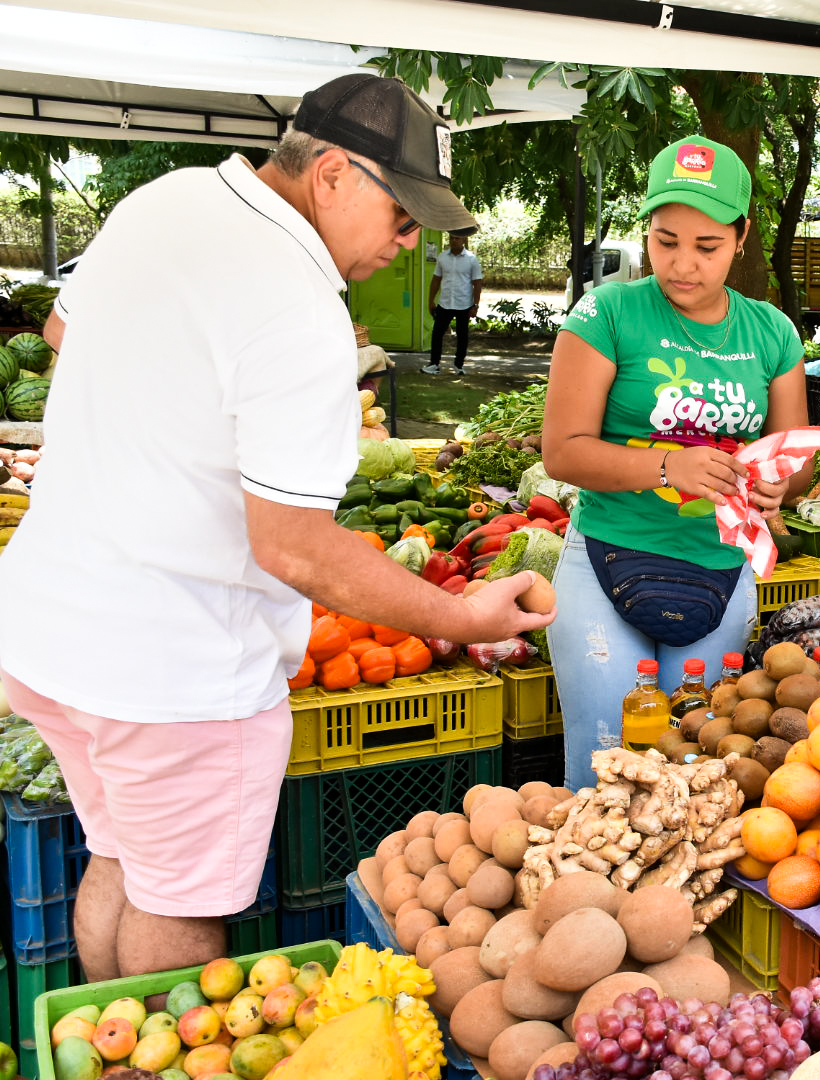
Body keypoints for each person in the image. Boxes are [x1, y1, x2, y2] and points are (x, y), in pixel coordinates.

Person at [0, 73, 553, 982]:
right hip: (174, 668)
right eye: (404, 216)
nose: (411, 242)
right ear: (331, 173)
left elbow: (65, 330)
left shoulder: (164, 201)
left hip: (53, 627)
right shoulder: (298, 309)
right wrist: (464, 618)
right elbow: (293, 545)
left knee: (125, 861)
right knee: (177, 908)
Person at [542, 135, 809, 790]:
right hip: (606, 560)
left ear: (742, 236)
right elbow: (562, 450)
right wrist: (668, 466)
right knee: (604, 772)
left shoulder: (771, 332)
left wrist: (780, 482)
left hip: (719, 570)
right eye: (665, 241)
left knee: (691, 768)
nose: (682, 264)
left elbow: (794, 455)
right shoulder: (606, 312)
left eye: (707, 246)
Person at [426, 231, 483, 375]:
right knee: (437, 334)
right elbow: (436, 280)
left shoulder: (471, 259)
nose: (454, 240)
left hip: (464, 303)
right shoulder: (442, 257)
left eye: (457, 238)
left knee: (462, 336)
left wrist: (475, 305)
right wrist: (431, 301)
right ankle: (434, 364)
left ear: (464, 239)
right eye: (452, 238)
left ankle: (459, 365)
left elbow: (477, 283)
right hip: (445, 303)